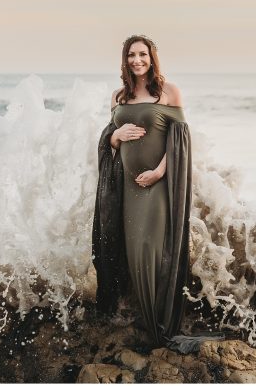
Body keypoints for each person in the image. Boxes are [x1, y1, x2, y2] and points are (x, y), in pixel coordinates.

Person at [92, 35, 193, 347]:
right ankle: (141, 318)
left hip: (158, 185)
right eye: (132, 55)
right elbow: (110, 141)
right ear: (125, 60)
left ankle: (159, 327)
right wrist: (115, 136)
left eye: (143, 55)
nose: (137, 60)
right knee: (132, 252)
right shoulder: (118, 96)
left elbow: (181, 140)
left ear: (152, 58)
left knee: (151, 250)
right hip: (125, 187)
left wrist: (159, 172)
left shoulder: (169, 93)